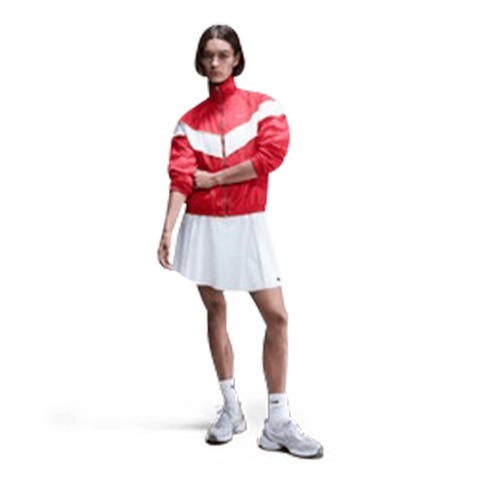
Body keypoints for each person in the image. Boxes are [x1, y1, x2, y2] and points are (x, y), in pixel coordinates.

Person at [157, 24, 323, 459]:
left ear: (236, 59)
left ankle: (278, 421)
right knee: (216, 310)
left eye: (223, 54)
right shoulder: (188, 123)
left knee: (277, 317)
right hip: (203, 226)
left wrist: (213, 178)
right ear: (200, 60)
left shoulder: (263, 108)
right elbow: (181, 179)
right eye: (208, 55)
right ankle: (230, 408)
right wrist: (167, 229)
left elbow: (268, 157)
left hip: (248, 223)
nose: (215, 62)